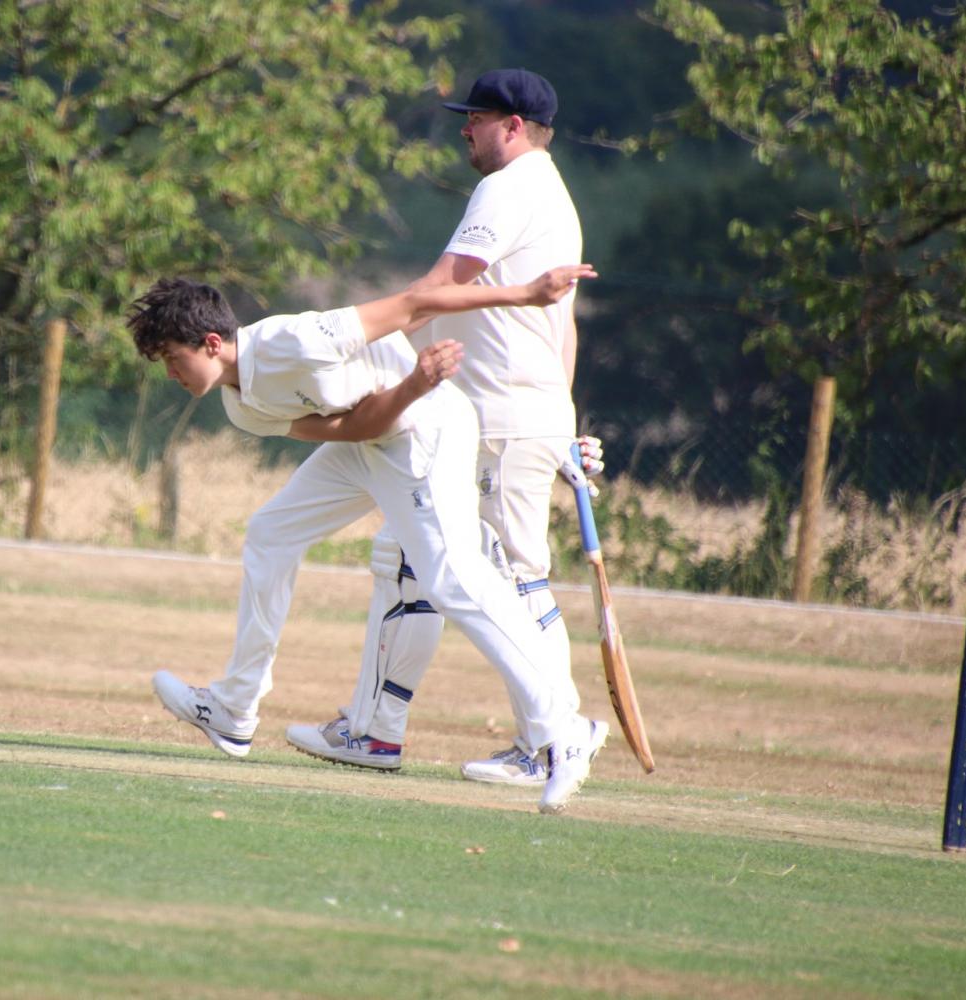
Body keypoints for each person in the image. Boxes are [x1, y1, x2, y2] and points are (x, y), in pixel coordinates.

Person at [127, 262, 606, 814]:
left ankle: (561, 729)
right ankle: (235, 709)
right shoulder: (242, 406)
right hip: (376, 435)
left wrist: (526, 293)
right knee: (270, 533)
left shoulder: (295, 339)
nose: (170, 374)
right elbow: (356, 429)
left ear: (212, 343)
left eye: (171, 359)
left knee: (452, 580)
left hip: (427, 425)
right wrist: (404, 387)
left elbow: (409, 305)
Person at [285, 68, 607, 789]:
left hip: (497, 417)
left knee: (513, 580)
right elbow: (562, 329)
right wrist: (561, 418)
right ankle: (373, 731)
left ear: (514, 126)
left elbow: (439, 288)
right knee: (404, 556)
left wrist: (345, 335)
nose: (465, 128)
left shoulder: (509, 187)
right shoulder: (550, 193)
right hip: (504, 415)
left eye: (478, 117)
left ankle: (555, 739)